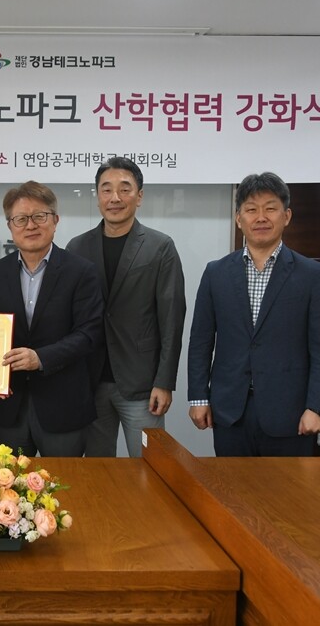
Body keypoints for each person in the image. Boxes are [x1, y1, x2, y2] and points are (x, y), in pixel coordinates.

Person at [187, 172, 320, 457]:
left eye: (270, 208)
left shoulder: (312, 275)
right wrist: (198, 397)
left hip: (291, 413)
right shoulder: (216, 273)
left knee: (286, 487)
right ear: (238, 218)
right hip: (230, 410)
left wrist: (318, 407)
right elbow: (200, 341)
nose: (261, 217)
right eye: (251, 209)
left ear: (287, 216)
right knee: (231, 485)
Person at [66, 157, 186, 457]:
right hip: (90, 382)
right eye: (106, 189)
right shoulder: (77, 248)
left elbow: (171, 319)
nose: (115, 198)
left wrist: (164, 382)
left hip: (142, 384)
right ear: (97, 196)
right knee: (99, 472)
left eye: (125, 189)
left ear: (139, 196)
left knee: (149, 468)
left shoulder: (160, 246)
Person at [0, 181, 104, 457]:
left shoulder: (81, 271)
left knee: (63, 483)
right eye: (21, 219)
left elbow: (89, 334)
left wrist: (40, 358)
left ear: (55, 220)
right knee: (8, 483)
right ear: (10, 225)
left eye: (40, 216)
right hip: (12, 405)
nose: (31, 225)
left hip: (63, 406)